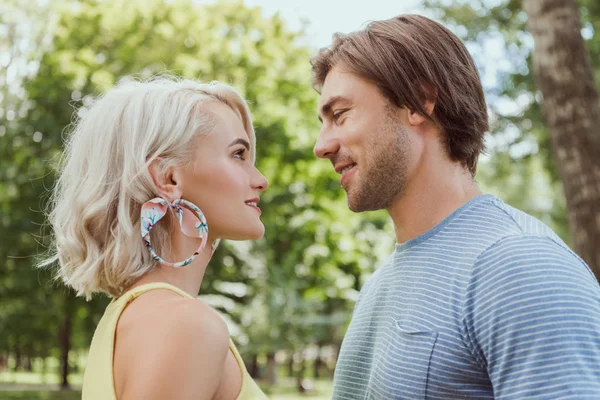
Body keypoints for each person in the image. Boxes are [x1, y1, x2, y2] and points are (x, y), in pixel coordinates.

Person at [311, 14, 600, 399]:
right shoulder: (380, 286)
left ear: (419, 102)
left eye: (340, 115)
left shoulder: (521, 268)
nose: (321, 145)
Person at [40, 75, 269, 400]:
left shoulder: (128, 317)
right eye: (238, 155)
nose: (260, 179)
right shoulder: (185, 325)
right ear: (168, 177)